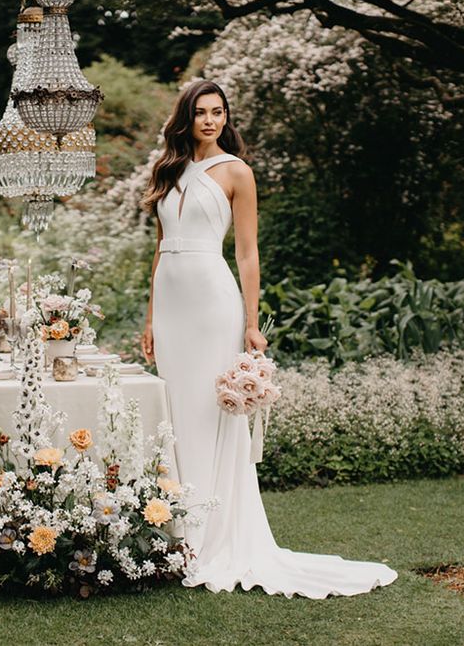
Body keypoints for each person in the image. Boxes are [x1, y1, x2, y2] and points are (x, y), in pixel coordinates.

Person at [141, 79, 398, 597]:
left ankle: (211, 535)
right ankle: (176, 528)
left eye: (218, 112)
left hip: (214, 301)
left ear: (225, 118)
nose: (210, 120)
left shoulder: (237, 171)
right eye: (200, 112)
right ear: (185, 118)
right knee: (176, 411)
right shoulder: (167, 171)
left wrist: (251, 322)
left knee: (210, 410)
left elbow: (248, 253)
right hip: (172, 306)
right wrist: (149, 318)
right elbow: (161, 249)